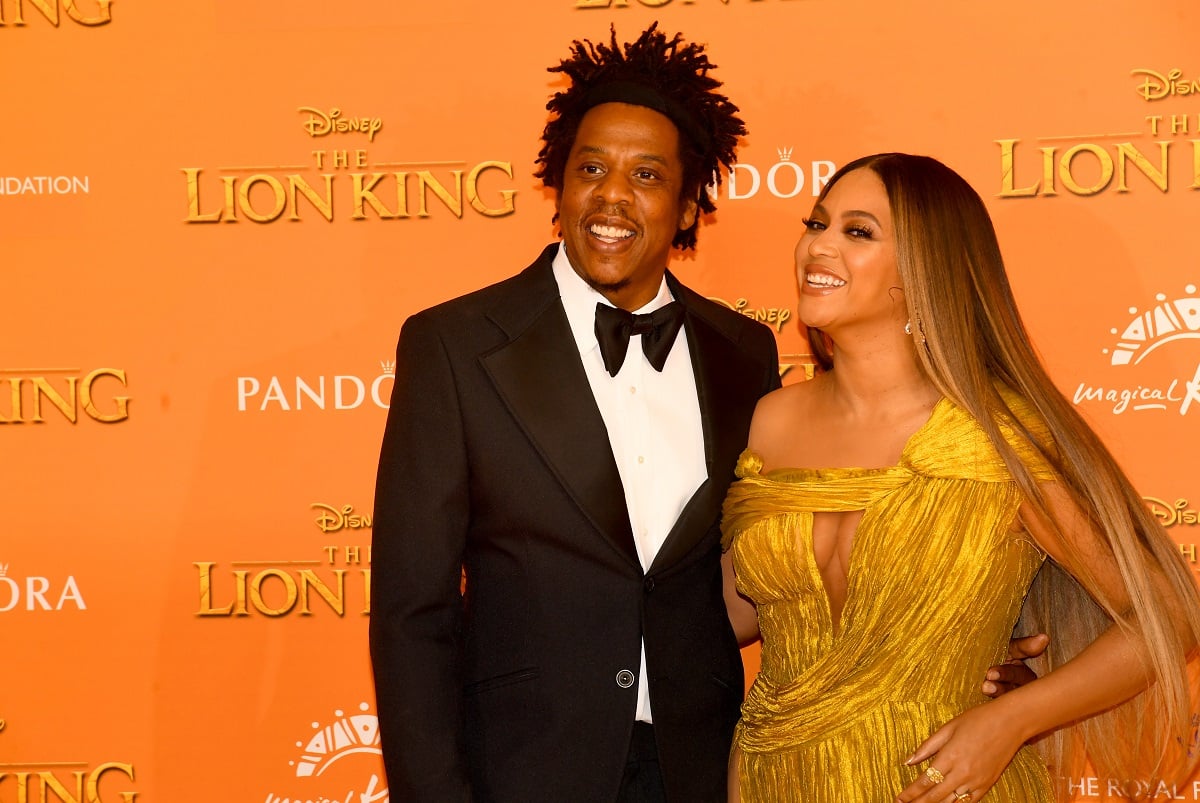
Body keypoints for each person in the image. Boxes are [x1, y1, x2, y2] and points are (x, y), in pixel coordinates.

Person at [370, 24, 780, 803]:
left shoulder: (743, 353)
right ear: (557, 184)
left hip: (701, 770)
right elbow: (411, 614)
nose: (612, 195)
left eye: (647, 174)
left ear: (690, 200)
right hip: (521, 771)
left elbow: (783, 562)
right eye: (590, 167)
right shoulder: (454, 346)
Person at [720, 152, 1200, 803]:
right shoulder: (771, 418)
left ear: (925, 266)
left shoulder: (995, 434)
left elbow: (1163, 618)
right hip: (774, 780)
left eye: (857, 232)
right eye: (817, 223)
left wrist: (1010, 720)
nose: (817, 246)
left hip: (946, 784)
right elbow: (731, 613)